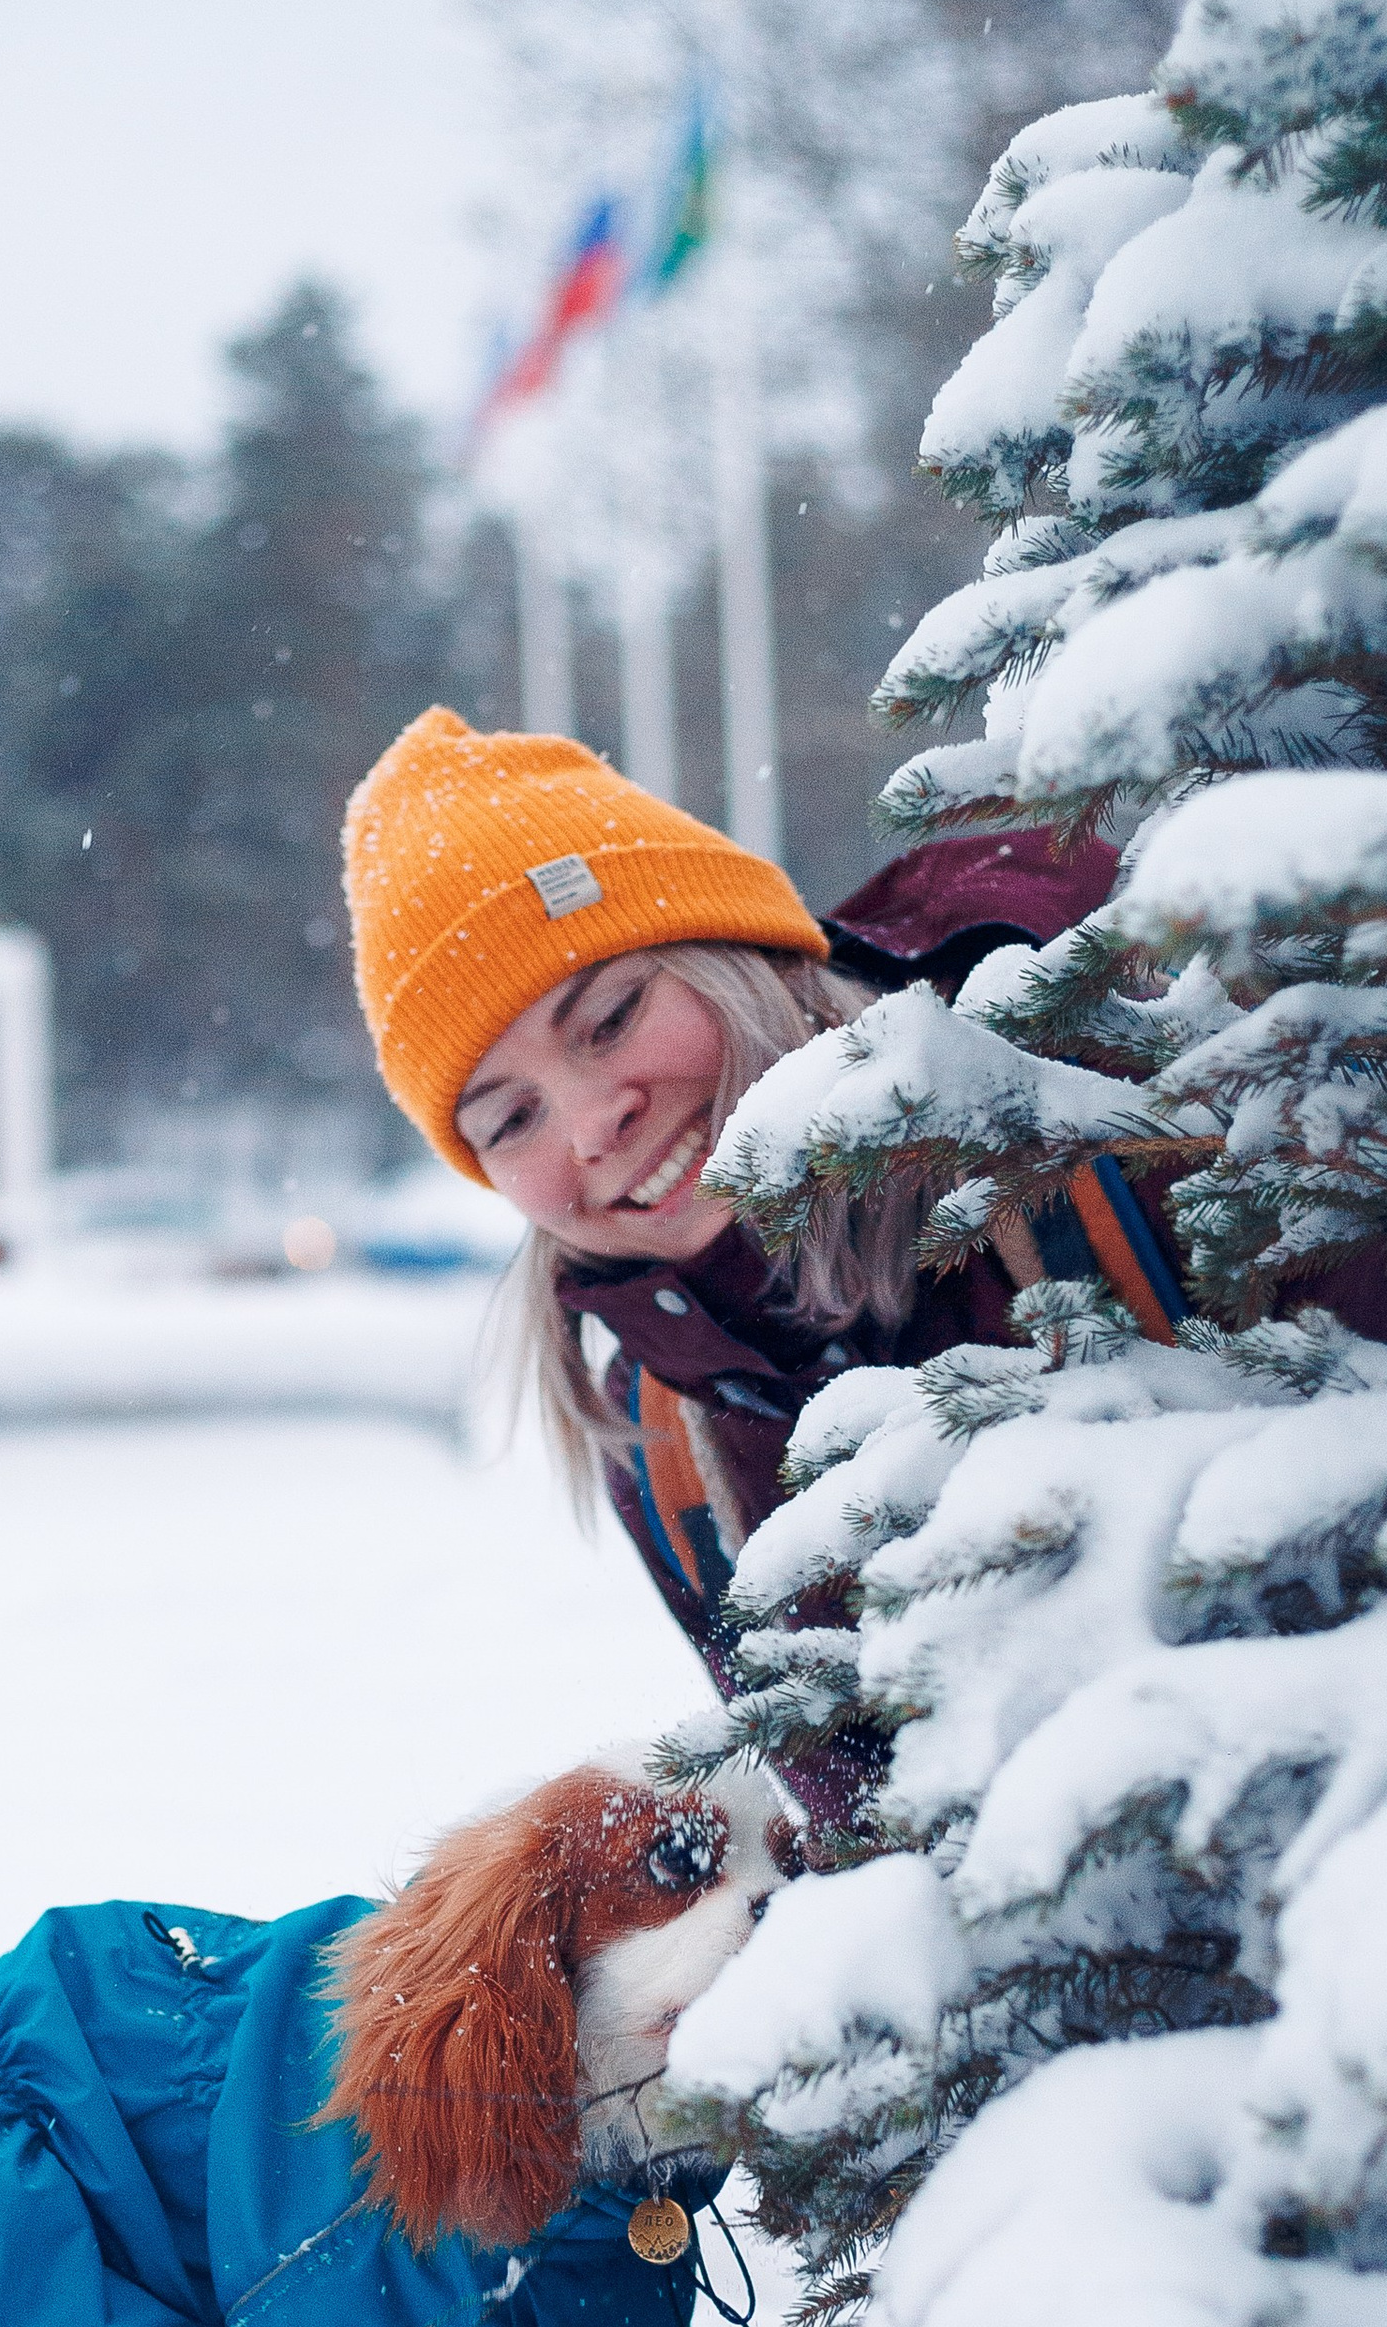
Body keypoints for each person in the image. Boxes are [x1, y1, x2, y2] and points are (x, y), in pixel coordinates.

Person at [342, 708, 1176, 1741]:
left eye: (610, 1020)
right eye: (513, 1120)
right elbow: (865, 1851)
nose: (596, 1125)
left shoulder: (1111, 1132)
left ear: (745, 956)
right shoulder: (661, 1437)